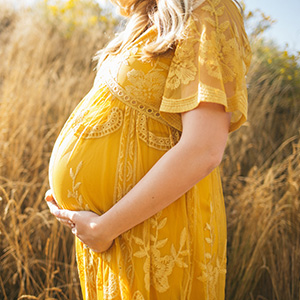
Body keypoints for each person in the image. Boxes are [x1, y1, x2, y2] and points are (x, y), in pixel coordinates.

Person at [45, 0, 252, 299]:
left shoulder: (210, 10)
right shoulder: (145, 20)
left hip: (156, 233)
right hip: (114, 233)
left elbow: (204, 148)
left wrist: (105, 228)